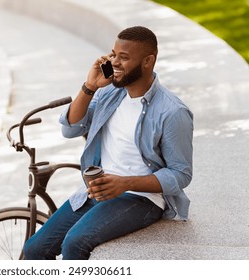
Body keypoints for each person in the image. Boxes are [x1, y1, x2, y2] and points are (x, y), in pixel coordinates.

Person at [23, 26, 193, 260]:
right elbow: (70, 129)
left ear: (148, 61)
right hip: (97, 191)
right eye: (113, 54)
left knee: (74, 244)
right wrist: (89, 87)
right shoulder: (109, 94)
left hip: (141, 199)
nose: (114, 62)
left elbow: (181, 174)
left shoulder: (172, 112)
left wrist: (124, 183)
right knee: (34, 249)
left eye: (124, 57)